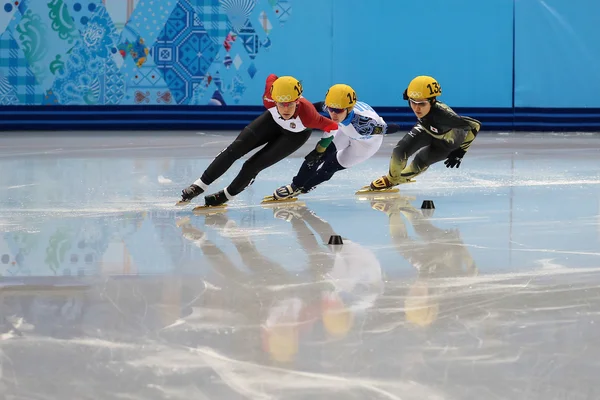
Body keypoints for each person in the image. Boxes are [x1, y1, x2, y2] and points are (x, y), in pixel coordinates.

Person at [178, 74, 339, 207]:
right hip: (271, 121)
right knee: (235, 149)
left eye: (290, 105)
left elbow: (332, 127)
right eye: (281, 104)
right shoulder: (268, 97)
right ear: (273, 99)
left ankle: (227, 195)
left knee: (252, 166)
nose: (285, 109)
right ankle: (199, 185)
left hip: (295, 135)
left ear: (297, 101)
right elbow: (271, 77)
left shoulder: (309, 115)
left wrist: (320, 149)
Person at [269, 83, 400, 200]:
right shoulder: (333, 105)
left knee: (329, 167)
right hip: (345, 131)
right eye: (330, 109)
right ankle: (295, 186)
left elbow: (391, 128)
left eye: (338, 110)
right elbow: (314, 107)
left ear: (349, 108)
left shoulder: (365, 125)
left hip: (365, 144)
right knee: (317, 154)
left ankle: (307, 186)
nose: (333, 114)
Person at [363, 75, 482, 191]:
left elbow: (475, 125)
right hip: (426, 129)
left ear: (433, 101)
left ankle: (400, 178)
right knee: (400, 150)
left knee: (420, 160)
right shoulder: (412, 96)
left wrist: (461, 151)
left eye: (422, 104)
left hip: (448, 143)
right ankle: (391, 180)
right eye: (413, 102)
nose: (416, 108)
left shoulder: (444, 116)